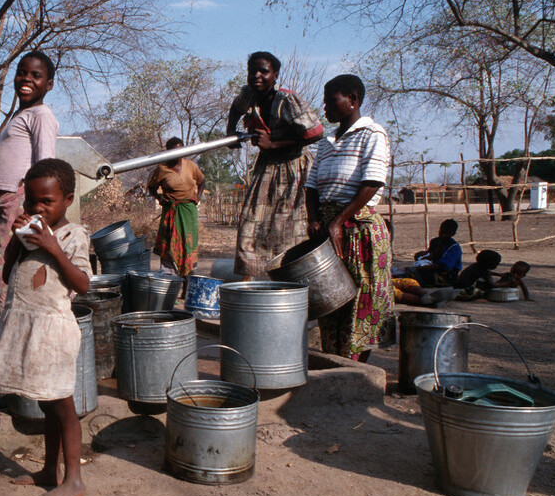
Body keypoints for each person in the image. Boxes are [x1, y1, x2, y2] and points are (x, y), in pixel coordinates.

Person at [0, 158, 91, 496]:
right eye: (31, 201)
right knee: (47, 404)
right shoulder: (28, 233)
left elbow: (84, 284)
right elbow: (5, 275)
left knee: (63, 406)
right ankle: (48, 471)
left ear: (68, 200)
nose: (38, 208)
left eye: (47, 201)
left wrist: (53, 247)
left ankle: (73, 479)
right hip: (27, 325)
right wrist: (16, 238)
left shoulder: (74, 236)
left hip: (54, 331)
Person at [305, 74, 393, 361]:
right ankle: (335, 362)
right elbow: (311, 186)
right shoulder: (326, 142)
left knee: (360, 297)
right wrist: (315, 219)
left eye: (332, 101)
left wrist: (339, 220)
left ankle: (355, 369)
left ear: (353, 100)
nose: (326, 107)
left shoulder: (373, 134)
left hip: (359, 229)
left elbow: (373, 183)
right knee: (331, 299)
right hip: (329, 231)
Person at [226, 51, 325, 278]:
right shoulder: (248, 95)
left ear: (276, 75)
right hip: (266, 168)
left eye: (264, 71)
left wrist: (274, 144)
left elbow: (316, 133)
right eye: (253, 71)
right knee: (250, 225)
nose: (258, 76)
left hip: (294, 169)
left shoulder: (287, 99)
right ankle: (251, 284)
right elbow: (235, 107)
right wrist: (231, 130)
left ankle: (289, 283)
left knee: (288, 229)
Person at [0, 51, 59, 326]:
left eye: (36, 75)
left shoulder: (41, 115)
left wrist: (35, 209)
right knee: (2, 273)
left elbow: (44, 167)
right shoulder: (21, 114)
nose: (26, 79)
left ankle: (9, 333)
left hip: (19, 204)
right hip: (3, 206)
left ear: (48, 84)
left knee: (10, 275)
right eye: (22, 73)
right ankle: (3, 333)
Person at [147, 137, 205, 289]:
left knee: (189, 245)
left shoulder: (191, 166)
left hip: (188, 211)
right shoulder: (162, 169)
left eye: (180, 150)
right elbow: (151, 187)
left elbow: (202, 181)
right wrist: (159, 198)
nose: (177, 154)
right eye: (173, 151)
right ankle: (169, 287)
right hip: (171, 211)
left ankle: (188, 286)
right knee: (168, 247)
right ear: (167, 153)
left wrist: (197, 198)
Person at [412, 218, 462, 286]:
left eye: (447, 233)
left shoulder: (454, 248)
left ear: (453, 234)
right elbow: (430, 256)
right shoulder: (435, 241)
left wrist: (418, 269)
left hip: (447, 275)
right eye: (441, 232)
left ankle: (435, 283)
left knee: (413, 275)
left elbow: (443, 267)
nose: (443, 235)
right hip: (431, 269)